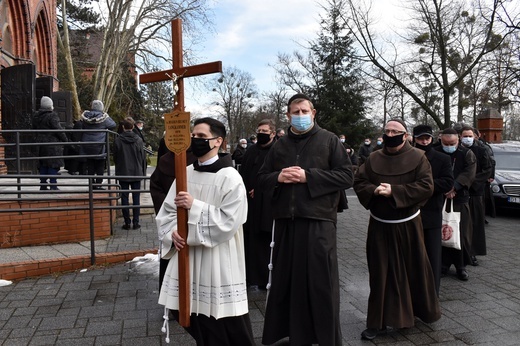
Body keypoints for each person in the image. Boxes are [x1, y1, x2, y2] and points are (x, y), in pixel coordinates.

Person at [257, 93, 353, 345]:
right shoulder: (280, 144)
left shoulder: (329, 140)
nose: (299, 116)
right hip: (286, 222)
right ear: (287, 115)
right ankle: (295, 334)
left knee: (320, 283)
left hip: (318, 220)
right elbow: (262, 178)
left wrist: (308, 176)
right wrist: (278, 177)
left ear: (313, 113)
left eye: (304, 111)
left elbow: (346, 176)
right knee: (288, 283)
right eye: (294, 112)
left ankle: (326, 337)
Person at [156, 117, 254, 345]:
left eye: (202, 136)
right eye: (194, 135)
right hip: (188, 257)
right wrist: (172, 233)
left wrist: (195, 205)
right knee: (191, 315)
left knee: (225, 320)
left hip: (218, 258)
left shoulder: (230, 177)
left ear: (218, 141)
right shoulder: (185, 173)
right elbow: (167, 211)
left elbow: (230, 221)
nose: (195, 140)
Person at [353, 119, 440, 340]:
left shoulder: (419, 158)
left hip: (408, 224)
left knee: (414, 269)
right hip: (380, 225)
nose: (390, 134)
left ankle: (420, 312)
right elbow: (360, 182)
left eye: (395, 131)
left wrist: (394, 191)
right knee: (380, 273)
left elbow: (426, 186)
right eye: (387, 130)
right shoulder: (373, 158)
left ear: (405, 135)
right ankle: (377, 322)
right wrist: (374, 190)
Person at [413, 124, 454, 296]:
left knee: (432, 256)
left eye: (427, 138)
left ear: (431, 138)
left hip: (432, 212)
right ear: (414, 139)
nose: (424, 141)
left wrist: (421, 187)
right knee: (412, 256)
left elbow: (447, 182)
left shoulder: (442, 158)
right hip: (410, 213)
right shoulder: (408, 157)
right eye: (421, 139)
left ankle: (432, 293)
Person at [434, 128, 476, 281]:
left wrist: (455, 187)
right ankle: (443, 264)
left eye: (452, 143)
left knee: (461, 233)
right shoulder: (436, 151)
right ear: (441, 141)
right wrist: (443, 188)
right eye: (446, 143)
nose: (449, 146)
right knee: (443, 232)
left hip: (460, 198)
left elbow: (469, 172)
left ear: (458, 140)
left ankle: (461, 266)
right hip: (440, 197)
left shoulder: (466, 153)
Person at [240, 119, 276, 290]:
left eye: (265, 131)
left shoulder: (278, 150)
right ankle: (248, 276)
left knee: (265, 241)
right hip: (249, 204)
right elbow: (243, 173)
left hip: (267, 205)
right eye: (259, 130)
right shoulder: (251, 150)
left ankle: (264, 278)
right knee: (249, 240)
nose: (261, 133)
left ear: (273, 133)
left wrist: (261, 189)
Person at [460, 126, 492, 266]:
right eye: (464, 135)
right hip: (460, 191)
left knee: (475, 224)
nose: (467, 138)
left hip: (475, 192)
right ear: (460, 136)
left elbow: (487, 169)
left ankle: (473, 252)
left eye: (470, 135)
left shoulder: (482, 150)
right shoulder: (457, 150)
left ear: (474, 136)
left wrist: (471, 182)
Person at [113, 117, 146, 230]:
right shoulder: (138, 140)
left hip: (123, 172)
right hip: (136, 172)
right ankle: (136, 222)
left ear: (123, 127)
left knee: (124, 198)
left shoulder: (118, 140)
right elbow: (142, 157)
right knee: (136, 198)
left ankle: (127, 222)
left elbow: (115, 157)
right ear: (133, 127)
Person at [32, 96, 68, 190]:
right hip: (52, 143)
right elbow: (58, 129)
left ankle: (43, 185)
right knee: (53, 164)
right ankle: (53, 185)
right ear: (50, 106)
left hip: (40, 143)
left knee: (43, 163)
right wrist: (66, 140)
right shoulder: (52, 115)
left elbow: (34, 128)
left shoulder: (36, 116)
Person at [80, 100, 116, 190]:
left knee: (90, 165)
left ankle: (91, 184)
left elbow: (81, 125)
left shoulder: (86, 117)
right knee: (100, 166)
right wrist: (106, 115)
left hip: (87, 145)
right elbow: (113, 125)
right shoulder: (103, 118)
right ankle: (98, 184)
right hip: (99, 145)